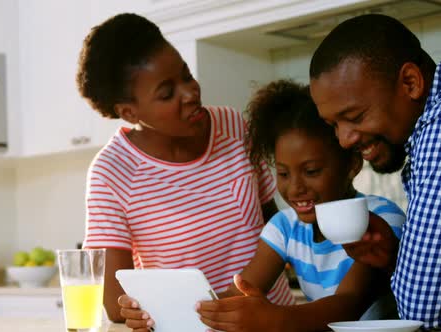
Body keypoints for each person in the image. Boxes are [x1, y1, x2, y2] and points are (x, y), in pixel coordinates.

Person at [75, 13, 295, 325]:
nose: (190, 93)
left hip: (274, 324)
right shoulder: (111, 172)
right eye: (167, 94)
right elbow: (113, 301)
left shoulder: (233, 125)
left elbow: (277, 228)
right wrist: (143, 312)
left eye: (186, 75)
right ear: (129, 112)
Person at [309, 14, 441, 331]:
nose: (344, 140)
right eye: (334, 126)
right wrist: (396, 256)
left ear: (411, 82)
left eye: (355, 116)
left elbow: (421, 311)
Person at [193, 80, 405, 332]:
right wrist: (190, 308)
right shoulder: (285, 227)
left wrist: (273, 319)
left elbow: (349, 304)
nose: (294, 188)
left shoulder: (381, 218)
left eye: (311, 171)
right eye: (283, 173)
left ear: (352, 164)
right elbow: (240, 291)